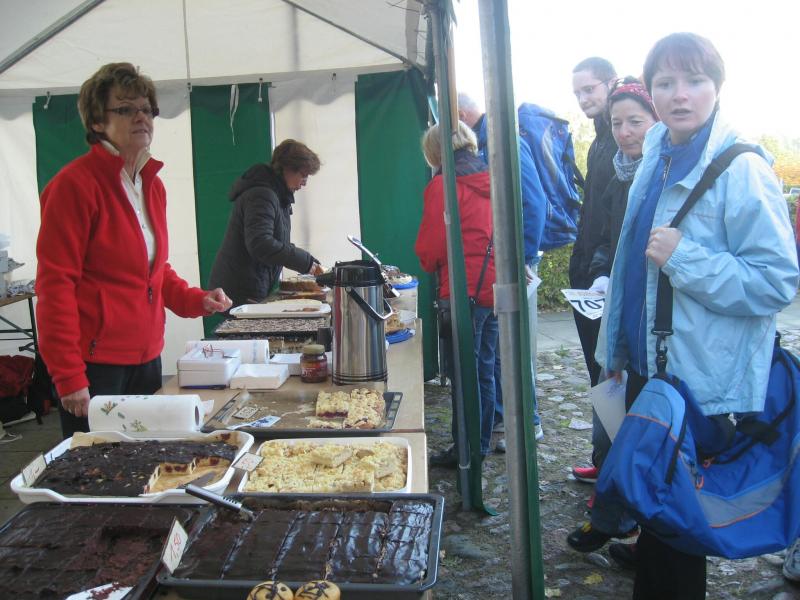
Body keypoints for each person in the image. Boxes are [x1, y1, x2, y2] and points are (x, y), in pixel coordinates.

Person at [595, 33, 798, 599]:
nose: (679, 94)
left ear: (717, 87)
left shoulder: (742, 168)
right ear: (651, 90)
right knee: (656, 512)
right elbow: (632, 263)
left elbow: (776, 281)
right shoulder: (656, 153)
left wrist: (685, 258)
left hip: (697, 377)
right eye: (666, 82)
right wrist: (616, 351)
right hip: (649, 368)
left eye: (694, 80)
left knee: (677, 522)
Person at [35, 62, 233, 439]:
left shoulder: (151, 186)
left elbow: (153, 271)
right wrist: (68, 375)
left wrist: (197, 299)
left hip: (147, 358)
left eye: (146, 109)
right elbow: (55, 286)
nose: (141, 117)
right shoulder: (73, 186)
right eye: (126, 109)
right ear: (97, 122)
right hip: (95, 366)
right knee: (97, 468)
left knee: (146, 461)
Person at [566, 78, 658, 557]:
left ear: (655, 121)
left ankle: (631, 523)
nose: (624, 132)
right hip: (618, 309)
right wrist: (601, 274)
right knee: (608, 403)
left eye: (634, 122)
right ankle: (611, 513)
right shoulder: (620, 172)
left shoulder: (665, 174)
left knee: (640, 423)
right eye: (618, 122)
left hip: (653, 320)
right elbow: (605, 233)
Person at [458, 92, 544, 444]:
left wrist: (520, 258)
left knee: (512, 347)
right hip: (502, 261)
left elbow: (534, 203)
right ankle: (501, 418)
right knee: (497, 350)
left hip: (513, 262)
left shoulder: (502, 140)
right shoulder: (489, 140)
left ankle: (528, 422)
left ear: (461, 114)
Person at [415, 121, 497, 464]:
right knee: (484, 371)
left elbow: (431, 248)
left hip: (463, 290)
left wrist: (427, 261)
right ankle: (479, 444)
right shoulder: (491, 178)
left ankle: (465, 451)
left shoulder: (444, 185)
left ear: (434, 151)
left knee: (463, 374)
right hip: (492, 288)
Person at [568, 56, 618, 485]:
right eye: (578, 92)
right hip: (588, 273)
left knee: (611, 375)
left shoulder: (621, 140)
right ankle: (604, 462)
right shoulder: (599, 142)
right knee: (597, 373)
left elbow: (614, 218)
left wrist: (600, 268)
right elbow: (592, 213)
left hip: (607, 275)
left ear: (610, 84)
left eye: (589, 89)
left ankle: (615, 473)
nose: (584, 99)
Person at [208, 139, 324, 308]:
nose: (304, 183)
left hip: (248, 285)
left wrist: (310, 262)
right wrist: (306, 263)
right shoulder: (262, 195)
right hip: (238, 291)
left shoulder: (277, 195)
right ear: (287, 168)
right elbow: (261, 243)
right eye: (303, 175)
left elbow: (277, 243)